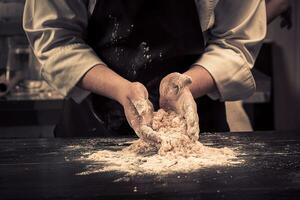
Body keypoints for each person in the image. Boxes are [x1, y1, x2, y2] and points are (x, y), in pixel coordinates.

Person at [23, 0, 266, 137]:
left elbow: (235, 42)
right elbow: (56, 39)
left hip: (195, 123)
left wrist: (184, 85)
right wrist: (120, 89)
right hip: (91, 126)